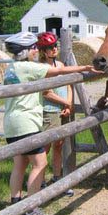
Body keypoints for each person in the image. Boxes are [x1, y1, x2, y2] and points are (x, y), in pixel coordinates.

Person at [3, 31, 95, 215]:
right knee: (40, 163)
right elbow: (60, 72)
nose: (36, 51)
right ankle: (31, 207)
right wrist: (86, 67)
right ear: (26, 51)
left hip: (11, 123)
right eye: (33, 48)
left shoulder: (10, 68)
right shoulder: (28, 67)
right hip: (27, 123)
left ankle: (15, 206)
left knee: (20, 164)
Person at [37, 32, 75, 196]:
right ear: (43, 51)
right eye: (49, 48)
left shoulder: (60, 64)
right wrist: (65, 103)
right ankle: (40, 181)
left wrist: (69, 103)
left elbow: (69, 85)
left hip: (63, 109)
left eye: (55, 46)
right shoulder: (42, 68)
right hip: (50, 111)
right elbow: (47, 93)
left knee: (59, 145)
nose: (54, 49)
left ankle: (57, 178)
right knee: (45, 147)